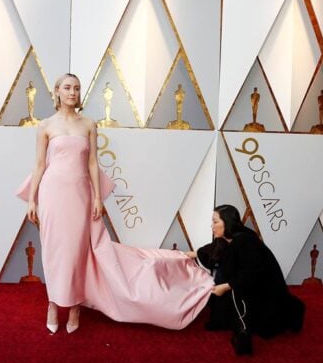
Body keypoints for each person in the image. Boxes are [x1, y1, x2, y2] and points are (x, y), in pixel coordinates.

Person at [17, 73, 213, 334]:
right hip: (52, 193)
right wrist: (32, 199)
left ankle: (75, 307)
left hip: (80, 194)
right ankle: (53, 304)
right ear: (57, 92)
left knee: (78, 252)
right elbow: (40, 164)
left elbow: (93, 164)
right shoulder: (46, 126)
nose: (73, 92)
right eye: (67, 87)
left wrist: (98, 197)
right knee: (53, 250)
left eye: (76, 88)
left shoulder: (88, 124)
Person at [194, 205, 305, 354]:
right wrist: (192, 254)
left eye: (215, 222)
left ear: (226, 223)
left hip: (264, 290)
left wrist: (226, 286)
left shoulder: (245, 242)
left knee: (237, 294)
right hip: (246, 283)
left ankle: (246, 330)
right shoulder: (227, 238)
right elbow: (212, 250)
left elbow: (253, 274)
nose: (212, 226)